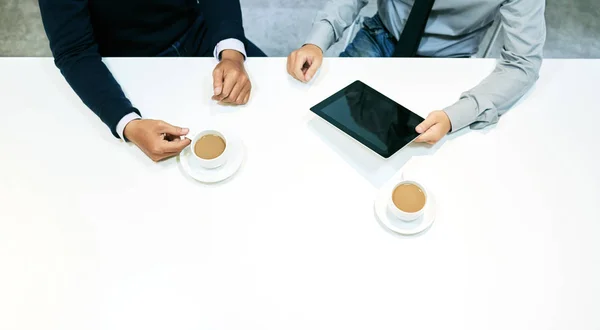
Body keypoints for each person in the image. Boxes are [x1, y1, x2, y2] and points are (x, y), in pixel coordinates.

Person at [287, 0, 546, 145]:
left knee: (420, 158)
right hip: (382, 34)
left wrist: (456, 115)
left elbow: (523, 62)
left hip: (449, 59)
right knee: (326, 126)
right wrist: (317, 40)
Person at [39, 0, 266, 162]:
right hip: (126, 66)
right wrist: (128, 124)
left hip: (200, 33)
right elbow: (74, 51)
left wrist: (231, 52)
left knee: (279, 108)